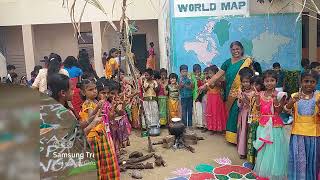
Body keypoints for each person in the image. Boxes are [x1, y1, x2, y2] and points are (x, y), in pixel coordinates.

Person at [200, 41, 253, 144]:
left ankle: (242, 139)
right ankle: (232, 138)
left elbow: (252, 76)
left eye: (237, 49)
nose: (235, 51)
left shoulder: (247, 61)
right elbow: (216, 76)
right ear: (230, 51)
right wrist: (205, 85)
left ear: (241, 49)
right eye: (233, 49)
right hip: (230, 93)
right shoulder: (227, 62)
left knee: (242, 114)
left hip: (244, 92)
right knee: (232, 114)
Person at [79, 79, 120, 180]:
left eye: (95, 88)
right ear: (83, 93)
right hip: (95, 137)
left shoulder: (96, 102)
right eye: (90, 89)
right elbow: (91, 117)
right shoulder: (88, 104)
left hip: (102, 134)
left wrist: (113, 106)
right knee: (100, 163)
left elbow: (109, 117)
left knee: (106, 162)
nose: (94, 91)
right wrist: (98, 108)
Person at [284, 71, 320, 180]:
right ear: (301, 82)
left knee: (312, 160)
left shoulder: (318, 96)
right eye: (306, 81)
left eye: (312, 82)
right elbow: (286, 110)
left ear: (316, 83)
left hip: (314, 134)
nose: (309, 84)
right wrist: (292, 102)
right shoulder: (295, 95)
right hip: (298, 134)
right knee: (299, 160)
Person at [253, 70, 288, 179]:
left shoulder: (280, 94)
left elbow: (279, 111)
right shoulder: (261, 93)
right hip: (263, 125)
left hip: (275, 126)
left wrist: (275, 100)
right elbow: (258, 109)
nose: (269, 83)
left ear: (276, 81)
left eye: (272, 80)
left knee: (274, 149)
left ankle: (274, 173)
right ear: (263, 82)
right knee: (264, 149)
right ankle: (264, 172)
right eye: (267, 81)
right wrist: (257, 97)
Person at [247, 75, 265, 166]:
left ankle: (258, 162)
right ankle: (252, 161)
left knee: (258, 142)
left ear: (261, 85)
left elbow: (260, 109)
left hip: (260, 122)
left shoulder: (263, 95)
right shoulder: (252, 95)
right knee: (251, 140)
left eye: (256, 84)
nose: (254, 86)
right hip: (252, 120)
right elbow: (250, 106)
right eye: (252, 84)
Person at [237, 67, 254, 159]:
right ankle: (242, 151)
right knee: (243, 131)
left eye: (247, 81)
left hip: (251, 113)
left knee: (250, 131)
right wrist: (240, 100)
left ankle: (250, 152)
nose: (245, 83)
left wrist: (245, 99)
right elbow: (239, 105)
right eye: (243, 82)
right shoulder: (241, 91)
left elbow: (253, 105)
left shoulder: (254, 92)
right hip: (243, 114)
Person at [204, 65, 228, 133]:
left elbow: (212, 86)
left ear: (216, 74)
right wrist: (206, 84)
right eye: (209, 73)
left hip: (216, 98)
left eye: (211, 73)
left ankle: (219, 127)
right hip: (210, 97)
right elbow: (206, 89)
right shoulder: (208, 80)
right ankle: (212, 127)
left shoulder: (218, 80)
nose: (209, 74)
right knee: (211, 112)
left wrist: (207, 83)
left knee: (216, 112)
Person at [191, 64, 204, 128]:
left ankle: (201, 124)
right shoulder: (192, 76)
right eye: (196, 72)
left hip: (200, 96)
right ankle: (197, 124)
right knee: (195, 111)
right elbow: (192, 86)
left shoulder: (202, 76)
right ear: (194, 72)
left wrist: (200, 79)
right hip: (194, 95)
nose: (198, 73)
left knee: (200, 111)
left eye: (199, 71)